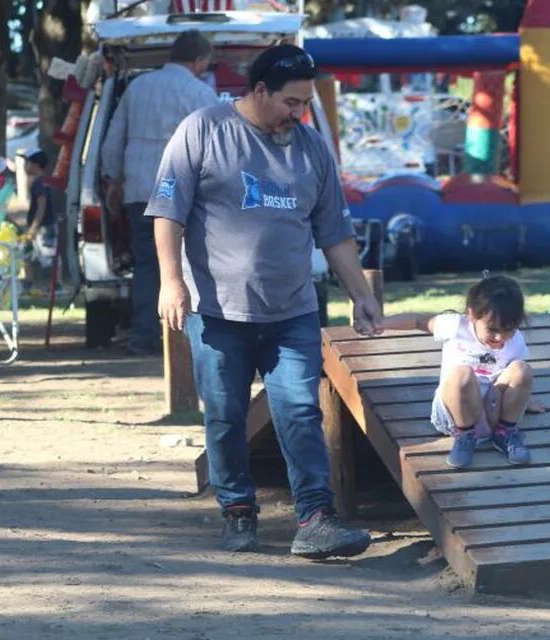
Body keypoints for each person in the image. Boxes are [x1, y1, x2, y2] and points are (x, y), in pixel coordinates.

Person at [148, 45, 383, 558]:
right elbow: (168, 211)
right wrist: (171, 281)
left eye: (304, 104)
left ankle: (315, 519)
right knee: (226, 417)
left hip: (293, 311)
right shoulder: (204, 130)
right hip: (217, 312)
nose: (298, 114)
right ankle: (237, 512)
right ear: (259, 90)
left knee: (300, 410)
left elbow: (335, 235)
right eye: (290, 103)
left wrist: (362, 297)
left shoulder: (313, 149)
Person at [101, 30, 219, 355]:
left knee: (147, 266)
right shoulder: (202, 93)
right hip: (185, 195)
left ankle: (143, 338)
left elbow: (114, 140)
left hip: (139, 189)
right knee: (185, 267)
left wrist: (113, 179)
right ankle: (184, 344)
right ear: (198, 60)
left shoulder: (138, 87)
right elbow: (214, 149)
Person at [384, 276, 533, 469]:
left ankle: (505, 432)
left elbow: (515, 377)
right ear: (471, 315)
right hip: (455, 411)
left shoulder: (516, 340)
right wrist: (381, 323)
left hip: (493, 411)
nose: (500, 337)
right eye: (493, 329)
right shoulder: (455, 326)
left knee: (523, 369)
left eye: (509, 330)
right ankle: (464, 435)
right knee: (462, 373)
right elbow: (418, 321)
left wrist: (525, 399)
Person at [23, 149, 58, 286]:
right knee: (29, 254)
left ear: (36, 165)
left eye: (27, 162)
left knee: (49, 256)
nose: (25, 166)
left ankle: (55, 285)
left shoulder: (39, 183)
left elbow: (41, 205)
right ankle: (29, 283)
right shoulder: (44, 181)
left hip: (43, 226)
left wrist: (34, 227)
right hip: (41, 225)